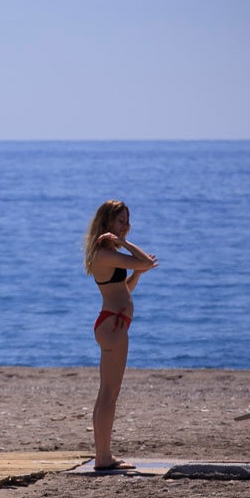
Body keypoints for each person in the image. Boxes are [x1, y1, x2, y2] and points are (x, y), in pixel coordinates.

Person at [83, 200, 158, 472]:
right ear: (107, 223)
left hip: (114, 323)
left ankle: (103, 454)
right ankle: (103, 457)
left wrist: (136, 273)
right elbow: (147, 261)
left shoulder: (107, 253)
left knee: (108, 392)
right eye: (120, 221)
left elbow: (123, 288)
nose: (125, 226)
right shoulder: (105, 252)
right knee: (109, 393)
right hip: (112, 327)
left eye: (127, 221)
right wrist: (126, 244)